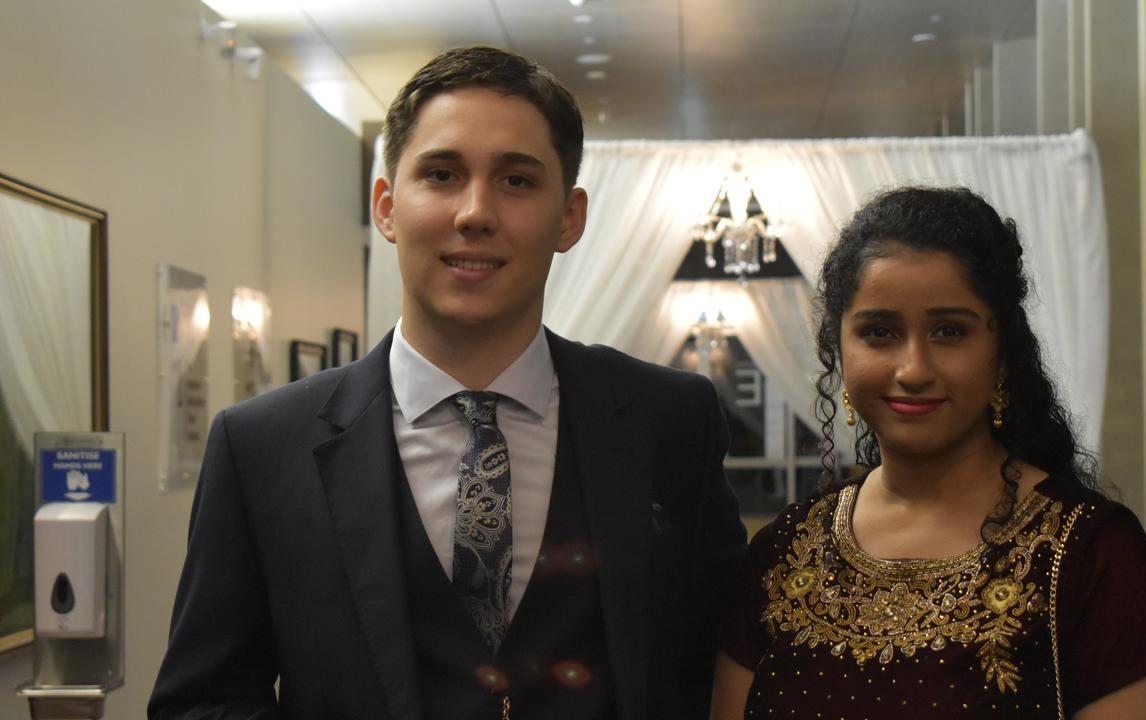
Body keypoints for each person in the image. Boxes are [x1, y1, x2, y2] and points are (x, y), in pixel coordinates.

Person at [149, 46, 746, 720]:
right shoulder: (260, 447)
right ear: (386, 206)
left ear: (569, 217)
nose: (475, 212)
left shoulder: (671, 423)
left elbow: (726, 666)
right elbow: (203, 704)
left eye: (518, 181)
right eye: (441, 174)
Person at [710, 186, 1146, 719]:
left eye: (948, 331)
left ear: (1001, 351)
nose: (913, 369)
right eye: (879, 332)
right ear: (838, 349)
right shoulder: (784, 555)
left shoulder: (1093, 557)